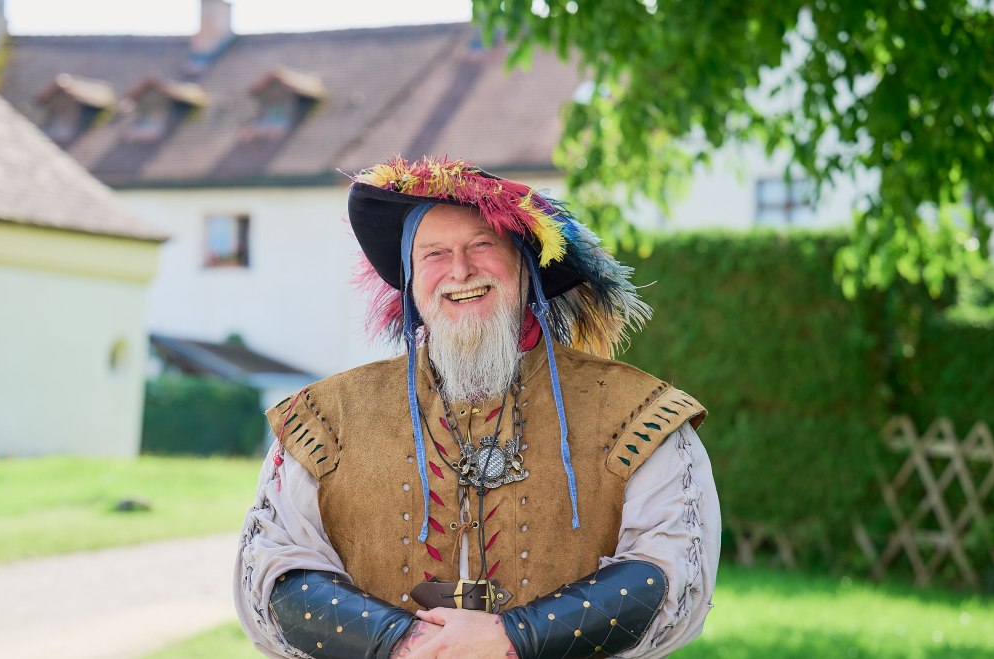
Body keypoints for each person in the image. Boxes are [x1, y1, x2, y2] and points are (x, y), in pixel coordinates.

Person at [234, 156, 719, 658]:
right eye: (434, 254)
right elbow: (276, 571)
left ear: (526, 269)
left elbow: (669, 564)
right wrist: (403, 643)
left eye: (482, 245)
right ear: (411, 279)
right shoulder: (326, 417)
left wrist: (514, 639)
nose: (460, 270)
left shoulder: (637, 413)